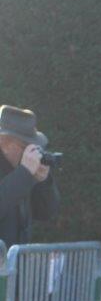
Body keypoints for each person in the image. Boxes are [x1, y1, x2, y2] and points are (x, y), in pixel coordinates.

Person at [0, 105, 60, 249]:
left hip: (14, 267)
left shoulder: (22, 172)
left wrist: (43, 181)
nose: (33, 152)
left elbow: (46, 213)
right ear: (4, 143)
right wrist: (25, 173)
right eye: (26, 145)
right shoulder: (23, 174)